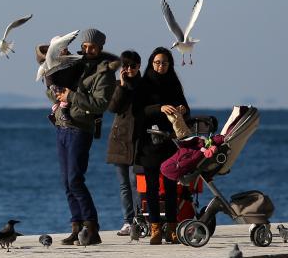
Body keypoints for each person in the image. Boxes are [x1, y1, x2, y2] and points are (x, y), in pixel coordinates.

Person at [45, 28, 117, 246]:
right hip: (62, 126)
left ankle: (92, 227)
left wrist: (71, 96)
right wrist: (54, 87)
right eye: (85, 46)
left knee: (76, 179)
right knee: (67, 182)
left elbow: (100, 104)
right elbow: (53, 91)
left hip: (80, 128)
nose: (88, 50)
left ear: (101, 48)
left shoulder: (105, 73)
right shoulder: (73, 63)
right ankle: (76, 227)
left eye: (92, 47)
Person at [135, 47, 189, 244]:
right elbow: (139, 111)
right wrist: (159, 108)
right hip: (149, 141)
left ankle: (172, 229)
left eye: (164, 63)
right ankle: (155, 228)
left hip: (170, 141)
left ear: (170, 65)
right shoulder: (144, 83)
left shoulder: (173, 83)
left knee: (171, 186)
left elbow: (186, 108)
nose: (160, 66)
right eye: (157, 62)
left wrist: (183, 109)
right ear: (151, 63)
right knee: (151, 187)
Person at [106, 50, 142, 236]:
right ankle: (127, 222)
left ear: (138, 66)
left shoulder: (144, 85)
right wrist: (121, 86)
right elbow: (113, 108)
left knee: (135, 183)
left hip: (137, 140)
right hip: (119, 139)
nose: (128, 69)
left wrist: (129, 85)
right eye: (125, 66)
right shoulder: (118, 85)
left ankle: (139, 220)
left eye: (132, 66)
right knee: (123, 185)